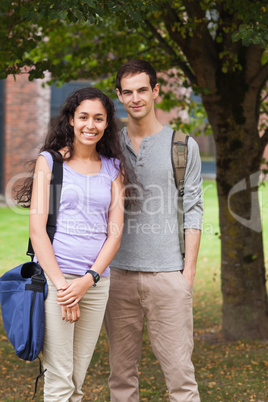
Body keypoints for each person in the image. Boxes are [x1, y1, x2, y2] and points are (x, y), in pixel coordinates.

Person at [16, 87, 129, 401]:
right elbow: (37, 230)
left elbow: (115, 233)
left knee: (76, 380)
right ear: (70, 119)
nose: (90, 125)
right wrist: (65, 289)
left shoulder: (113, 168)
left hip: (95, 284)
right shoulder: (50, 163)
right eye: (83, 117)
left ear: (107, 124)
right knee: (60, 381)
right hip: (57, 283)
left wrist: (88, 280)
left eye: (98, 118)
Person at [104, 60, 203, 401]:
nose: (135, 98)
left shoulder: (182, 146)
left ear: (156, 91)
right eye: (127, 92)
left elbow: (194, 209)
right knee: (121, 379)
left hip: (168, 277)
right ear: (118, 96)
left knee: (181, 379)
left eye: (142, 90)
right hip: (118, 277)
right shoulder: (107, 147)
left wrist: (186, 274)